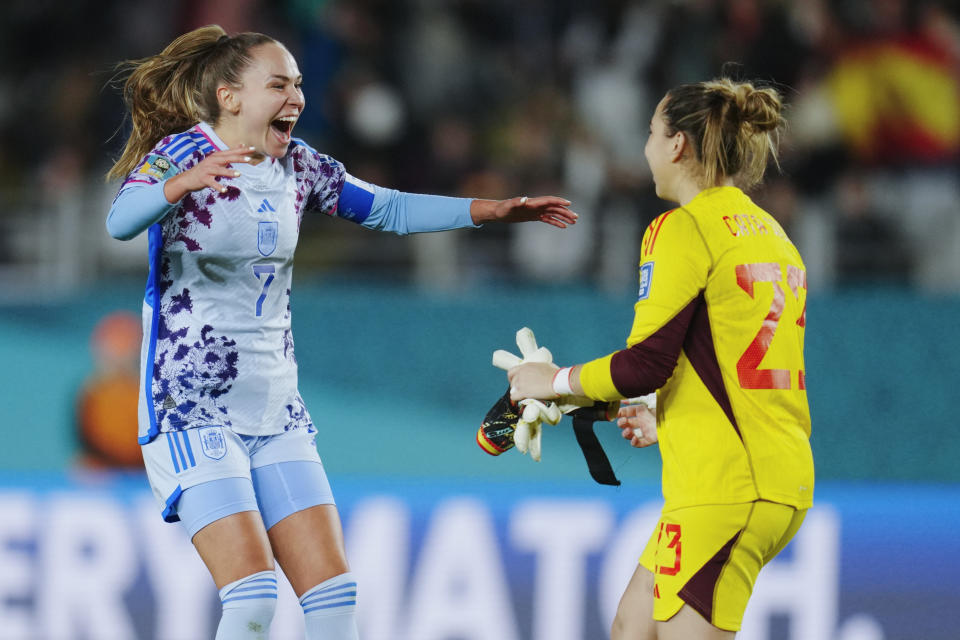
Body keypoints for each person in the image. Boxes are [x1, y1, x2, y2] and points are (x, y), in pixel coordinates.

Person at [105, 25, 577, 640]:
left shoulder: (299, 165)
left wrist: (488, 210)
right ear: (230, 97)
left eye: (299, 84)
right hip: (191, 412)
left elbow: (389, 208)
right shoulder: (182, 155)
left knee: (334, 601)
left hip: (276, 411)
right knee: (251, 598)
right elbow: (119, 221)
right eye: (278, 85)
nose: (296, 97)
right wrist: (175, 187)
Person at [507, 78, 813, 639]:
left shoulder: (682, 228)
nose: (645, 147)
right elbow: (730, 359)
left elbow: (644, 364)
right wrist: (667, 414)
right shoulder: (772, 234)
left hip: (726, 488)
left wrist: (552, 381)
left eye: (651, 132)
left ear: (677, 146)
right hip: (757, 475)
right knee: (632, 626)